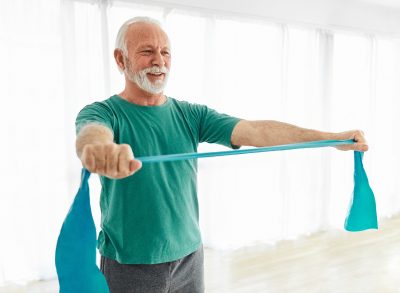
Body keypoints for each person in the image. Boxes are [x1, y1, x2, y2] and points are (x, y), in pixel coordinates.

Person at [75, 16, 368, 293]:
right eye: (147, 51)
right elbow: (91, 135)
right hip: (131, 264)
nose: (159, 61)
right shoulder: (104, 112)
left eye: (166, 52)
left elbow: (257, 131)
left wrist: (331, 139)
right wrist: (102, 151)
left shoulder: (190, 114)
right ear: (120, 59)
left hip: (189, 257)